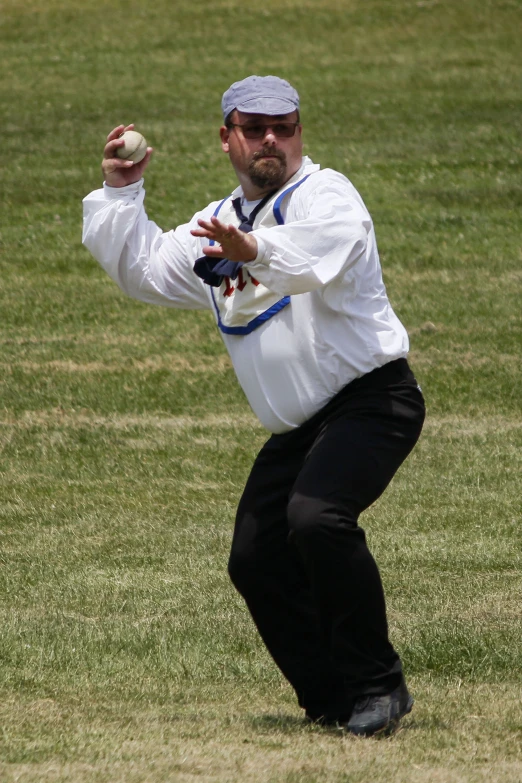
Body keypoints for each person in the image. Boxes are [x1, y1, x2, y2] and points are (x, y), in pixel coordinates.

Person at [82, 75, 425, 736]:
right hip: (300, 426)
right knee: (255, 557)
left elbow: (312, 260)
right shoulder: (219, 224)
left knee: (318, 517)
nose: (272, 139)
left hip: (372, 401)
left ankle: (379, 684)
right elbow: (145, 270)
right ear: (227, 137)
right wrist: (122, 192)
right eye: (255, 127)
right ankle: (332, 696)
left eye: (286, 126)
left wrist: (256, 251)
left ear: (299, 131)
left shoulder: (326, 194)